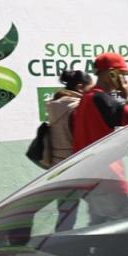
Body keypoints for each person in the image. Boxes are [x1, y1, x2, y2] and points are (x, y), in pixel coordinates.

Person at [73, 52, 128, 225]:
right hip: (107, 179)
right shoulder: (102, 99)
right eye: (123, 75)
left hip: (89, 179)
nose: (125, 80)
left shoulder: (87, 99)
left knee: (100, 229)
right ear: (111, 73)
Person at [47, 69, 93, 230]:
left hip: (60, 165)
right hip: (78, 165)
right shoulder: (76, 107)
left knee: (66, 212)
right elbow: (81, 138)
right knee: (102, 206)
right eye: (90, 87)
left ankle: (59, 243)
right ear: (81, 86)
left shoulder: (55, 105)